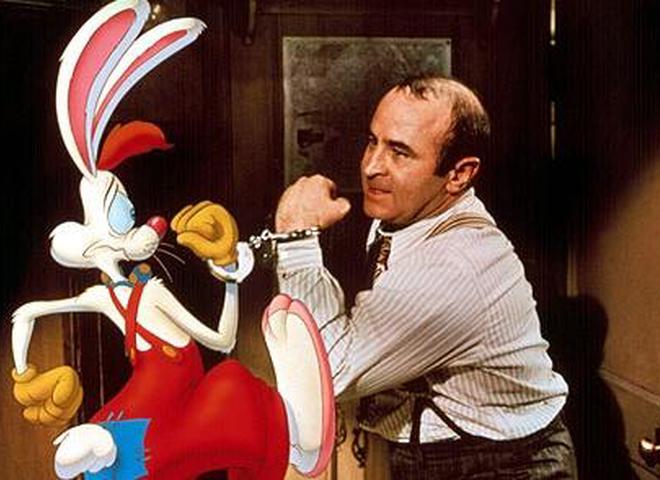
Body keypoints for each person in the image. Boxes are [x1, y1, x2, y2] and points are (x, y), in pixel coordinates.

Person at [273, 74, 577, 478]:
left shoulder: (456, 263)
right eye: (372, 142)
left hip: (503, 465)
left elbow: (324, 374)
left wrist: (295, 236)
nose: (371, 166)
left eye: (399, 152)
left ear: (459, 174)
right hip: (437, 451)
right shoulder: (405, 216)